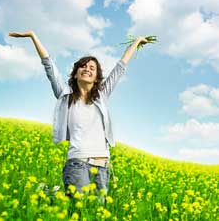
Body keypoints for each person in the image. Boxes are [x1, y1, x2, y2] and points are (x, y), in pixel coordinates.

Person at [9, 30, 150, 202]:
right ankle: (49, 195)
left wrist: (136, 43)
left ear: (97, 77)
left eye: (92, 68)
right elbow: (49, 66)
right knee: (79, 208)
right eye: (83, 66)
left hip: (103, 165)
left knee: (95, 212)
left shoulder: (102, 96)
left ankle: (49, 194)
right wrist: (32, 36)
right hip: (78, 162)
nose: (87, 69)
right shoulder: (65, 95)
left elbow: (120, 68)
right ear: (75, 73)